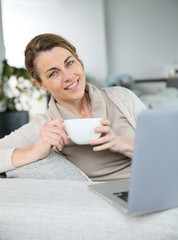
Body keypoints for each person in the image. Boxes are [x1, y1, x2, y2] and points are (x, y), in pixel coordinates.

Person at [0, 33, 146, 181]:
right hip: (102, 200)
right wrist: (34, 151)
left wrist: (120, 143)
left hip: (151, 185)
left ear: (79, 62)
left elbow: (164, 149)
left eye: (69, 63)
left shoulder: (123, 99)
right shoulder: (45, 126)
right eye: (53, 73)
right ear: (41, 84)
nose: (68, 76)